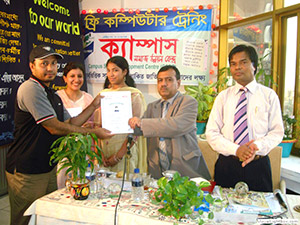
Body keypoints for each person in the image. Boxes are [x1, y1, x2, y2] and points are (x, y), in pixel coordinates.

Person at [5, 45, 113, 225]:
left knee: (45, 216)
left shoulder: (52, 95)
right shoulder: (30, 88)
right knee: (24, 218)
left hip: (46, 166)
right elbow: (54, 127)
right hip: (27, 169)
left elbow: (70, 123)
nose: (50, 68)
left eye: (53, 63)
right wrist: (94, 132)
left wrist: (94, 105)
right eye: (44, 63)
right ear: (32, 66)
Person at [206, 45, 284, 192]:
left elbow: (277, 132)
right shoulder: (223, 97)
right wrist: (237, 150)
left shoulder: (268, 95)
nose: (238, 67)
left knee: (260, 212)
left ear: (254, 66)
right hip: (227, 165)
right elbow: (212, 133)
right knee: (222, 210)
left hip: (258, 166)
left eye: (243, 62)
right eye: (233, 64)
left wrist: (256, 147)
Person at [129, 65, 211, 180]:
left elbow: (175, 126)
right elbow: (138, 129)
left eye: (169, 80)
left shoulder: (188, 102)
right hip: (158, 170)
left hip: (185, 169)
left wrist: (142, 123)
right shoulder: (153, 106)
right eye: (160, 80)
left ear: (178, 83)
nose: (163, 84)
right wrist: (122, 122)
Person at [94, 56, 147, 173]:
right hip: (103, 151)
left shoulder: (134, 95)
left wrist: (118, 155)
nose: (111, 74)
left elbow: (136, 130)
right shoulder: (103, 95)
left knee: (125, 188)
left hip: (125, 152)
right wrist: (100, 153)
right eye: (108, 70)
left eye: (115, 70)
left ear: (125, 72)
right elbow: (97, 127)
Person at [56, 62, 94, 188]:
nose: (76, 80)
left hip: (84, 152)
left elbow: (94, 124)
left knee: (83, 183)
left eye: (80, 76)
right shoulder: (57, 98)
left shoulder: (89, 98)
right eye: (72, 76)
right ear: (65, 78)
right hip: (64, 152)